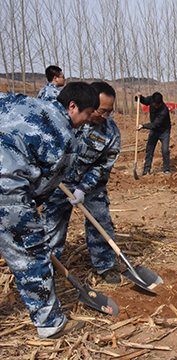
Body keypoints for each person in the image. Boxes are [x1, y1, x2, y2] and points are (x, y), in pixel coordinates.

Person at [0, 82, 99, 339]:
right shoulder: (65, 139)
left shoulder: (19, 101)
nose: (87, 120)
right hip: (7, 191)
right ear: (72, 106)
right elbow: (42, 191)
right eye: (87, 113)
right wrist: (27, 222)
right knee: (32, 256)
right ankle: (50, 323)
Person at [42, 82, 122, 284]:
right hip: (59, 182)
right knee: (52, 226)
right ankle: (47, 268)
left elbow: (104, 165)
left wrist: (83, 188)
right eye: (101, 111)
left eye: (109, 112)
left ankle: (105, 264)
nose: (104, 116)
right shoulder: (64, 120)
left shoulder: (110, 132)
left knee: (100, 221)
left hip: (90, 184)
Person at [135, 91, 171, 175]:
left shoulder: (164, 111)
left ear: (161, 103)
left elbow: (155, 124)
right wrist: (138, 97)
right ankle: (146, 170)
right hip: (154, 131)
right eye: (154, 105)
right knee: (149, 149)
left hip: (164, 131)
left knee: (165, 150)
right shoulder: (151, 99)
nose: (155, 107)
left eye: (157, 105)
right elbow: (143, 100)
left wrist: (142, 126)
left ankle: (166, 169)